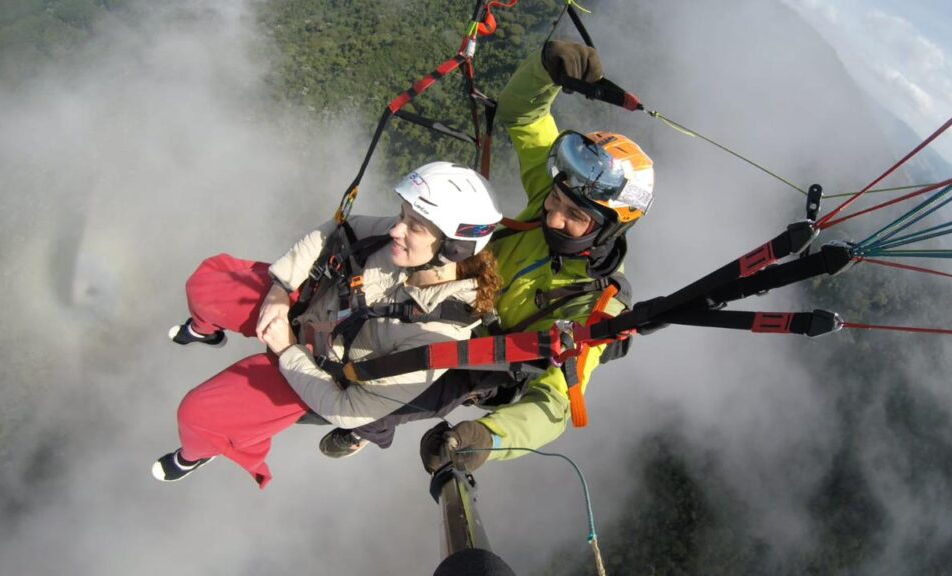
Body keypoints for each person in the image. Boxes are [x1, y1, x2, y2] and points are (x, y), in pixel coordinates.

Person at [320, 41, 657, 473]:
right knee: (394, 253)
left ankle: (369, 427)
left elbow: (553, 402)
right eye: (553, 199)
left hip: (493, 353)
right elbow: (524, 115)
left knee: (421, 388)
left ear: (611, 226)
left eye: (574, 216)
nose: (552, 218)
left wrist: (487, 438)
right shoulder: (559, 196)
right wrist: (546, 69)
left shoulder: (599, 303)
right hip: (468, 284)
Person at [151, 162, 502, 488]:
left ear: (452, 248)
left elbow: (348, 411)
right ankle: (205, 329)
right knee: (205, 284)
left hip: (313, 368)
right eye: (402, 215)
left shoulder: (436, 340)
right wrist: (280, 289)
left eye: (414, 226)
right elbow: (338, 231)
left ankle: (197, 454)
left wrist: (287, 350)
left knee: (197, 416)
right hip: (309, 304)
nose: (396, 228)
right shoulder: (401, 245)